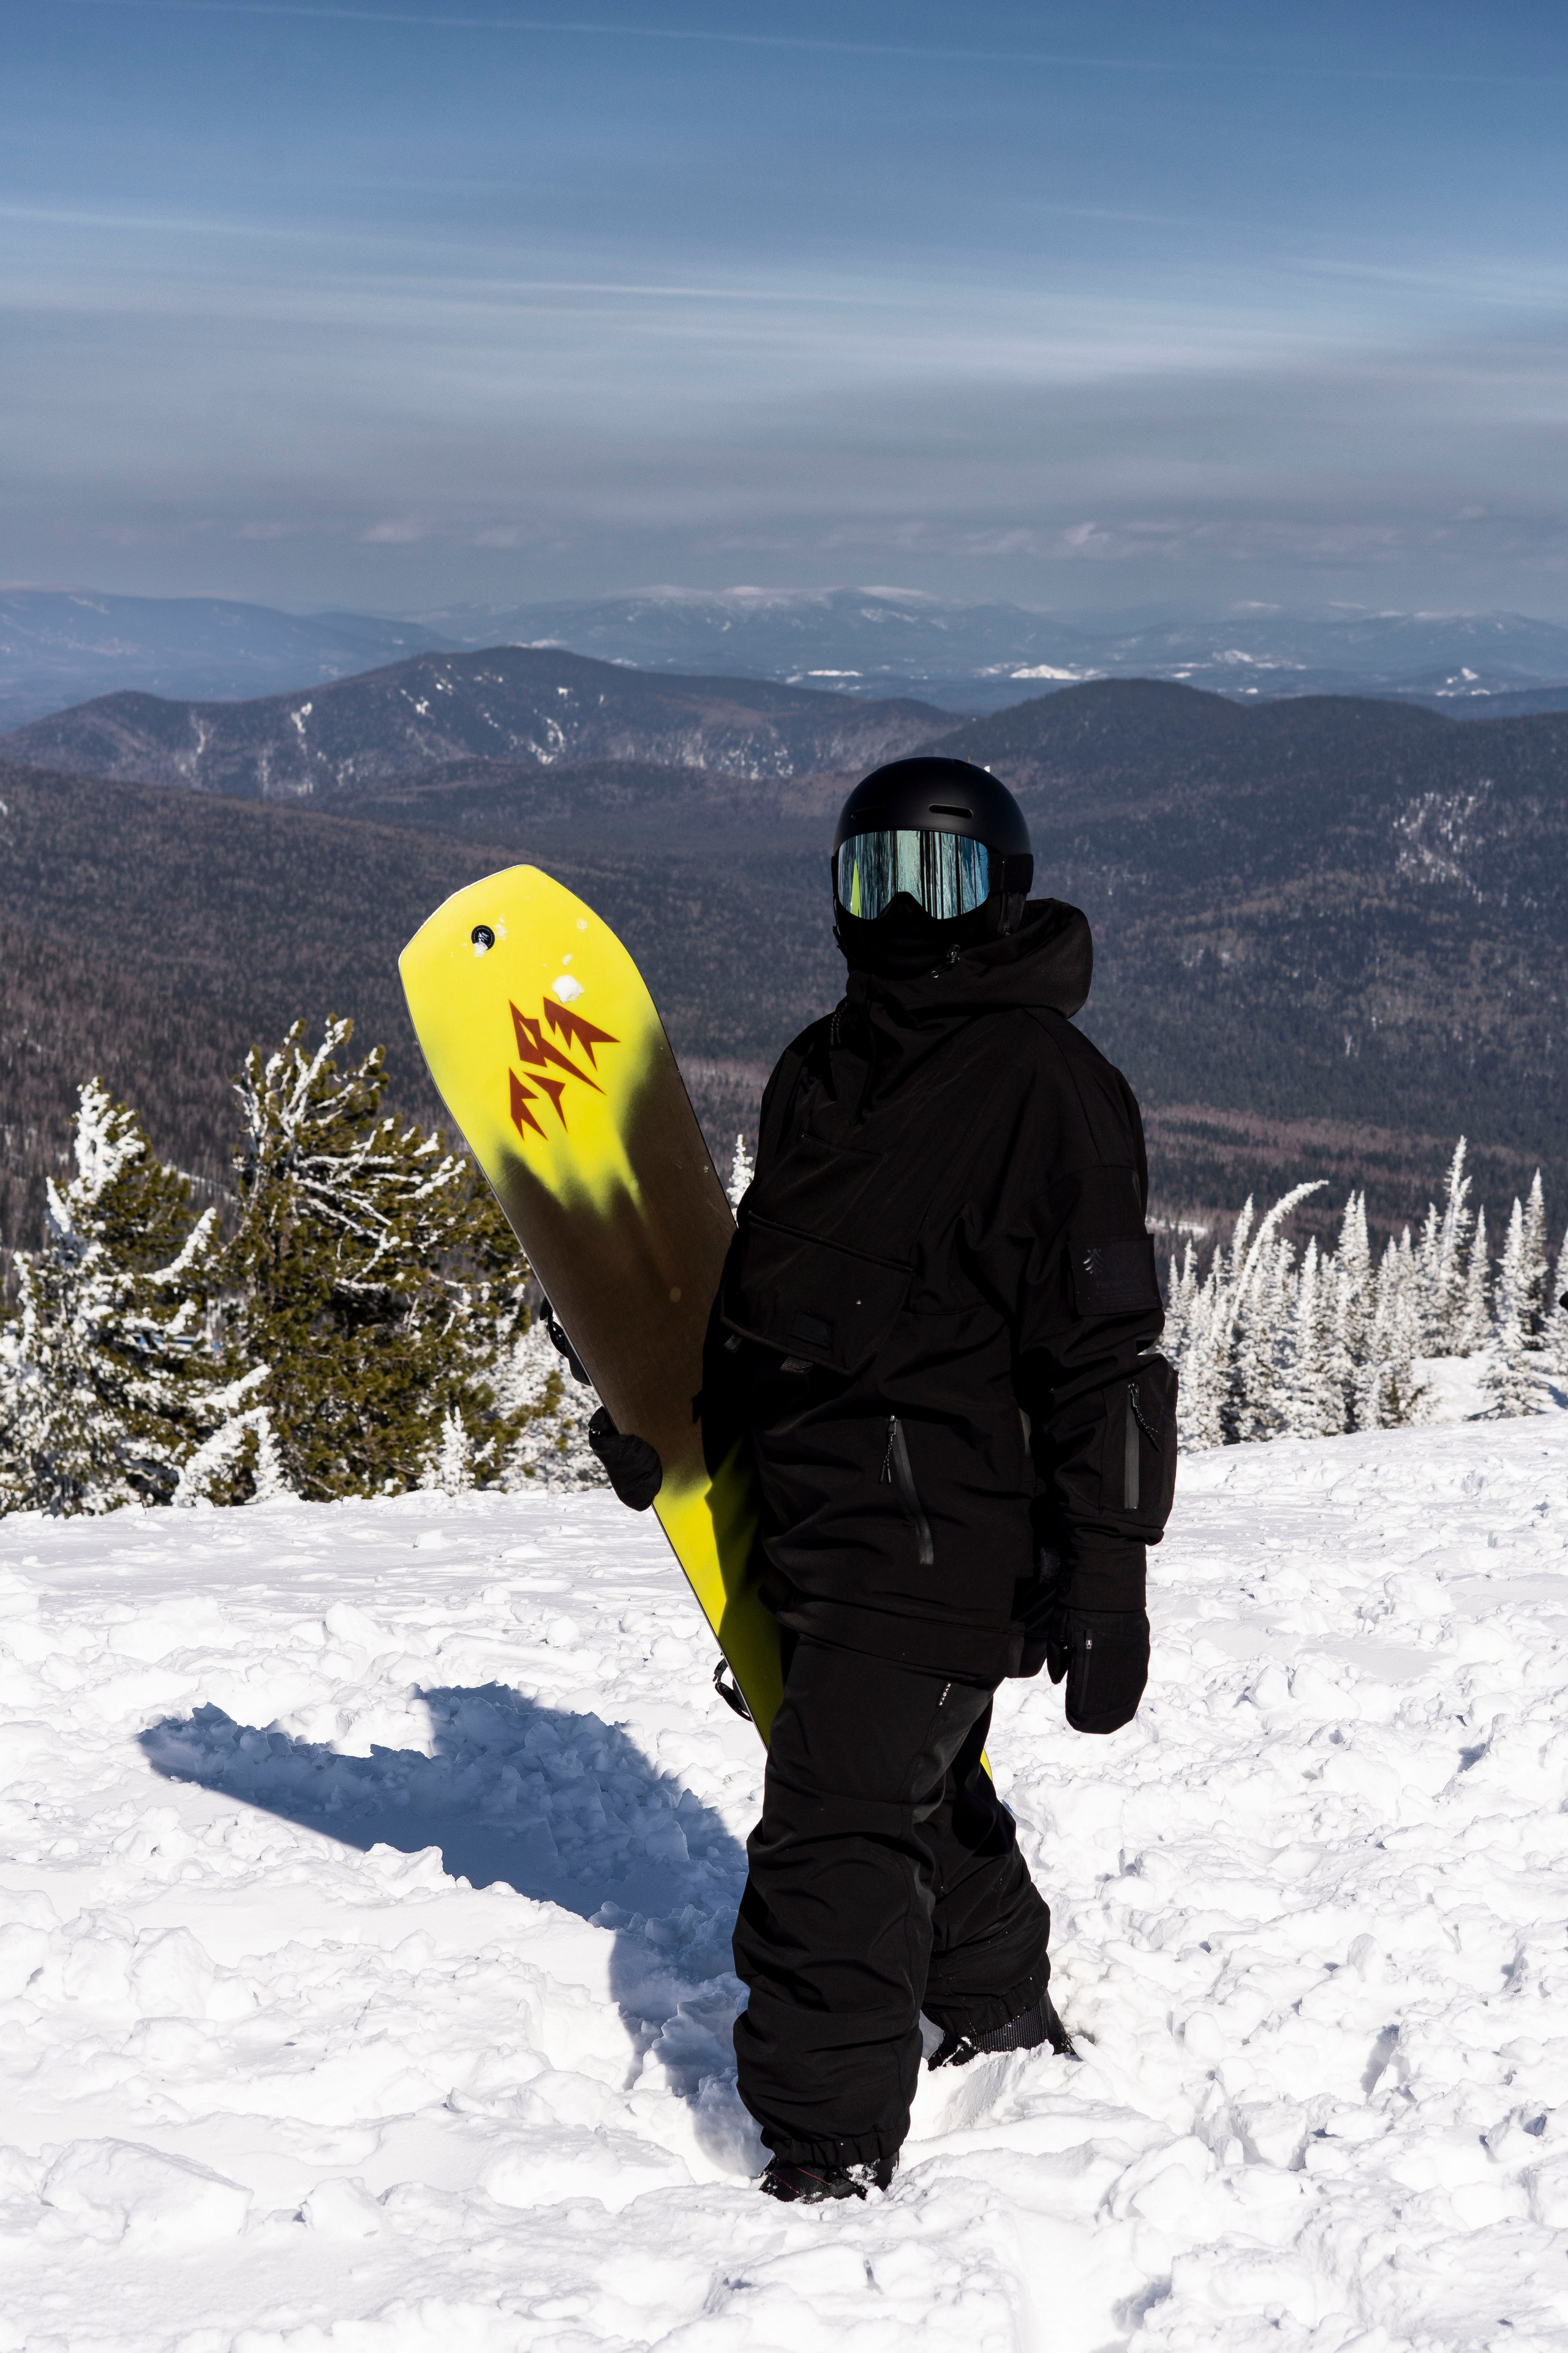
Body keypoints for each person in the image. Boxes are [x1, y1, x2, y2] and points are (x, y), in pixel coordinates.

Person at [590, 755, 1177, 2204]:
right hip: (816, 1518)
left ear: (1003, 891)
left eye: (944, 879)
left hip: (943, 1540)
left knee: (833, 1834)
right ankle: (995, 2007)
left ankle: (827, 2148)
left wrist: (1107, 1582)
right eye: (879, 877)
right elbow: (765, 1303)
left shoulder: (1050, 1087)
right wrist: (676, 1433)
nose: (908, 912)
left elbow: (1104, 1362)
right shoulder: (825, 1064)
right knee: (903, 1782)